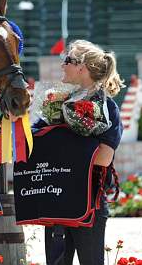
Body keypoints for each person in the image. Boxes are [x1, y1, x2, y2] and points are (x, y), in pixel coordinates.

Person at [39, 40, 124, 265]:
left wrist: (63, 153)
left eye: (67, 60)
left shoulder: (107, 107)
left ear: (82, 67)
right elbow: (35, 140)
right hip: (57, 198)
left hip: (89, 203)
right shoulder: (57, 102)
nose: (62, 65)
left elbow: (105, 158)